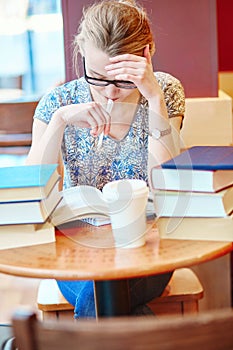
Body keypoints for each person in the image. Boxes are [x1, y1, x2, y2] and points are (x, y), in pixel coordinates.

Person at [26, 0, 185, 318]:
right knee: (106, 299)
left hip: (148, 248)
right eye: (97, 77)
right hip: (75, 249)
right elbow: (30, 194)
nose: (111, 92)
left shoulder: (165, 91)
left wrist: (152, 96)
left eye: (123, 80)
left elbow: (169, 181)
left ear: (146, 54)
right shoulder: (58, 102)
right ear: (82, 54)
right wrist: (59, 122)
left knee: (98, 299)